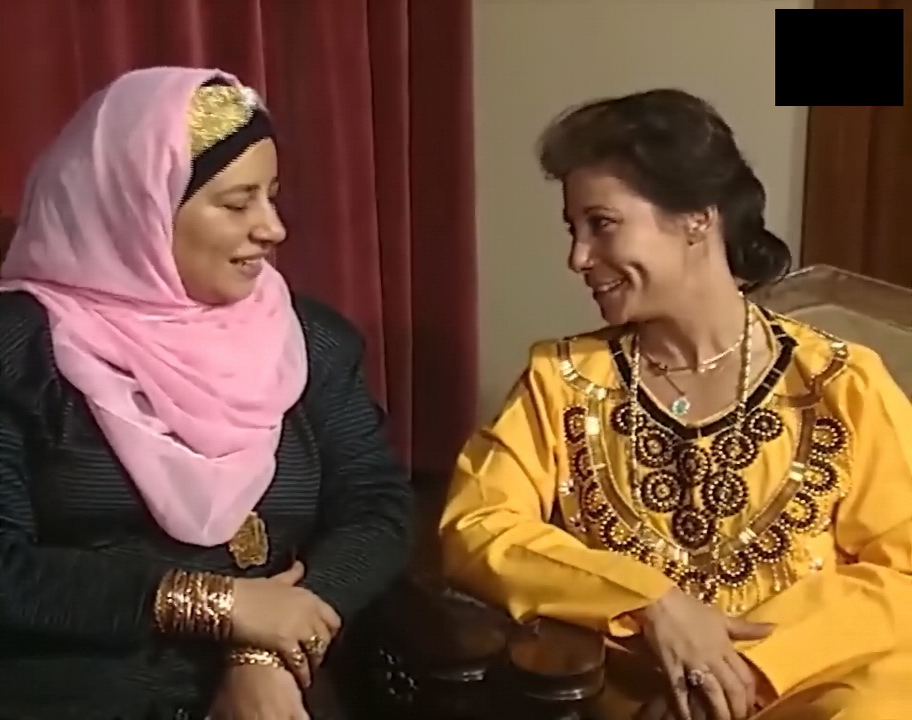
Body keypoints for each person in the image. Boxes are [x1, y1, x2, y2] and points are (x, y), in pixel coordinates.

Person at [439, 89, 912, 720]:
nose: (578, 258)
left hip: (808, 685)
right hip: (625, 695)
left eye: (602, 224)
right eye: (574, 231)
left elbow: (903, 571)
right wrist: (650, 601)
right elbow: (477, 528)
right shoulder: (562, 380)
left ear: (696, 218)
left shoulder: (839, 382)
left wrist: (742, 665)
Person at [0, 67, 413, 720]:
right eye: (237, 203)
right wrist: (217, 604)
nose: (272, 228)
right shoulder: (19, 350)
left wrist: (264, 650)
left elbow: (378, 508)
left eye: (272, 197)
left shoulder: (312, 340)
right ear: (141, 208)